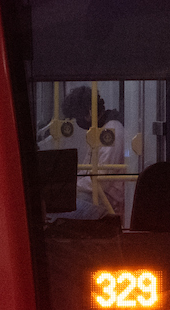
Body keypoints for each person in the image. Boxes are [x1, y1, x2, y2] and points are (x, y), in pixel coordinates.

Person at [39, 85, 126, 219]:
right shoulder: (98, 130)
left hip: (105, 202)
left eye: (78, 117)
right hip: (92, 195)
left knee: (52, 212)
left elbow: (101, 180)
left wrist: (72, 186)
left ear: (89, 112)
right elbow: (88, 169)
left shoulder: (111, 132)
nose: (78, 122)